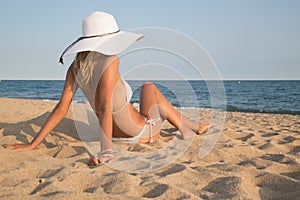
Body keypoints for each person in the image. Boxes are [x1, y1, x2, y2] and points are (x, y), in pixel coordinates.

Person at [4, 11, 209, 166]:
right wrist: (107, 152)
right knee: (150, 88)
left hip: (113, 135)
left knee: (148, 90)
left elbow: (61, 109)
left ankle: (190, 126)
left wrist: (33, 144)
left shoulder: (75, 68)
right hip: (141, 133)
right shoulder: (110, 61)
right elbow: (104, 106)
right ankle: (188, 127)